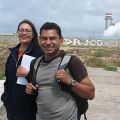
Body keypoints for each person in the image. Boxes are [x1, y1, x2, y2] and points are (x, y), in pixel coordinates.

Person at [26, 22, 95, 120]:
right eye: (44, 38)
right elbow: (38, 89)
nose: (48, 42)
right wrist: (30, 89)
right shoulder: (35, 63)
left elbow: (91, 94)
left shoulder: (72, 61)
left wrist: (69, 81)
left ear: (61, 40)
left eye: (52, 38)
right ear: (39, 40)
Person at [1, 19, 43, 120]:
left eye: (27, 31)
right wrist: (6, 98)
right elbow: (8, 78)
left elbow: (45, 79)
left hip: (29, 108)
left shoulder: (39, 54)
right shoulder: (12, 54)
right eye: (21, 30)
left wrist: (28, 74)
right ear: (18, 33)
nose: (24, 33)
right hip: (11, 107)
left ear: (33, 35)